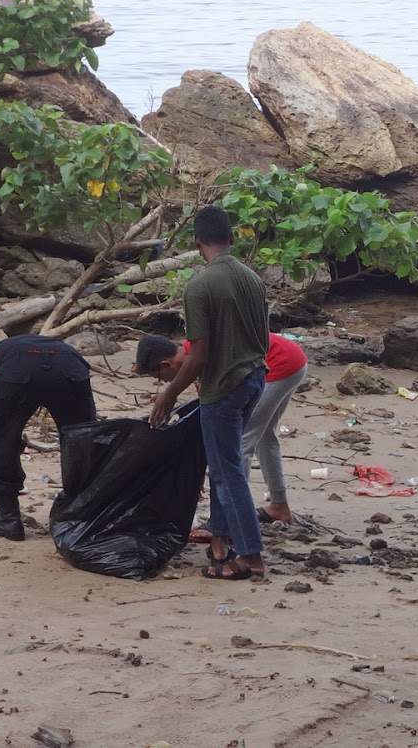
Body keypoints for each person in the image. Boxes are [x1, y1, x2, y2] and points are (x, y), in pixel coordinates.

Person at [149, 205, 270, 581]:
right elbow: (262, 338)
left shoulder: (200, 285)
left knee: (226, 471)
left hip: (225, 387)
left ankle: (250, 555)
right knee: (225, 463)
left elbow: (199, 354)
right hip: (256, 378)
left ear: (197, 241)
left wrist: (169, 394)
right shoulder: (252, 278)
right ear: (231, 238)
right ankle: (221, 543)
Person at [134, 330, 308, 527]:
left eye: (160, 377)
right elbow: (209, 419)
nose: (164, 382)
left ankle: (229, 521)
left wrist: (170, 393)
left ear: (167, 364)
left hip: (278, 364)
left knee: (240, 441)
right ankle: (278, 505)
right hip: (292, 359)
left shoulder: (199, 356)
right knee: (264, 436)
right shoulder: (196, 364)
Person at [0, 334, 96, 540]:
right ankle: (80, 513)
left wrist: (9, 438)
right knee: (84, 438)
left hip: (20, 369)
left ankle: (8, 517)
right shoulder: (62, 347)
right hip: (70, 364)